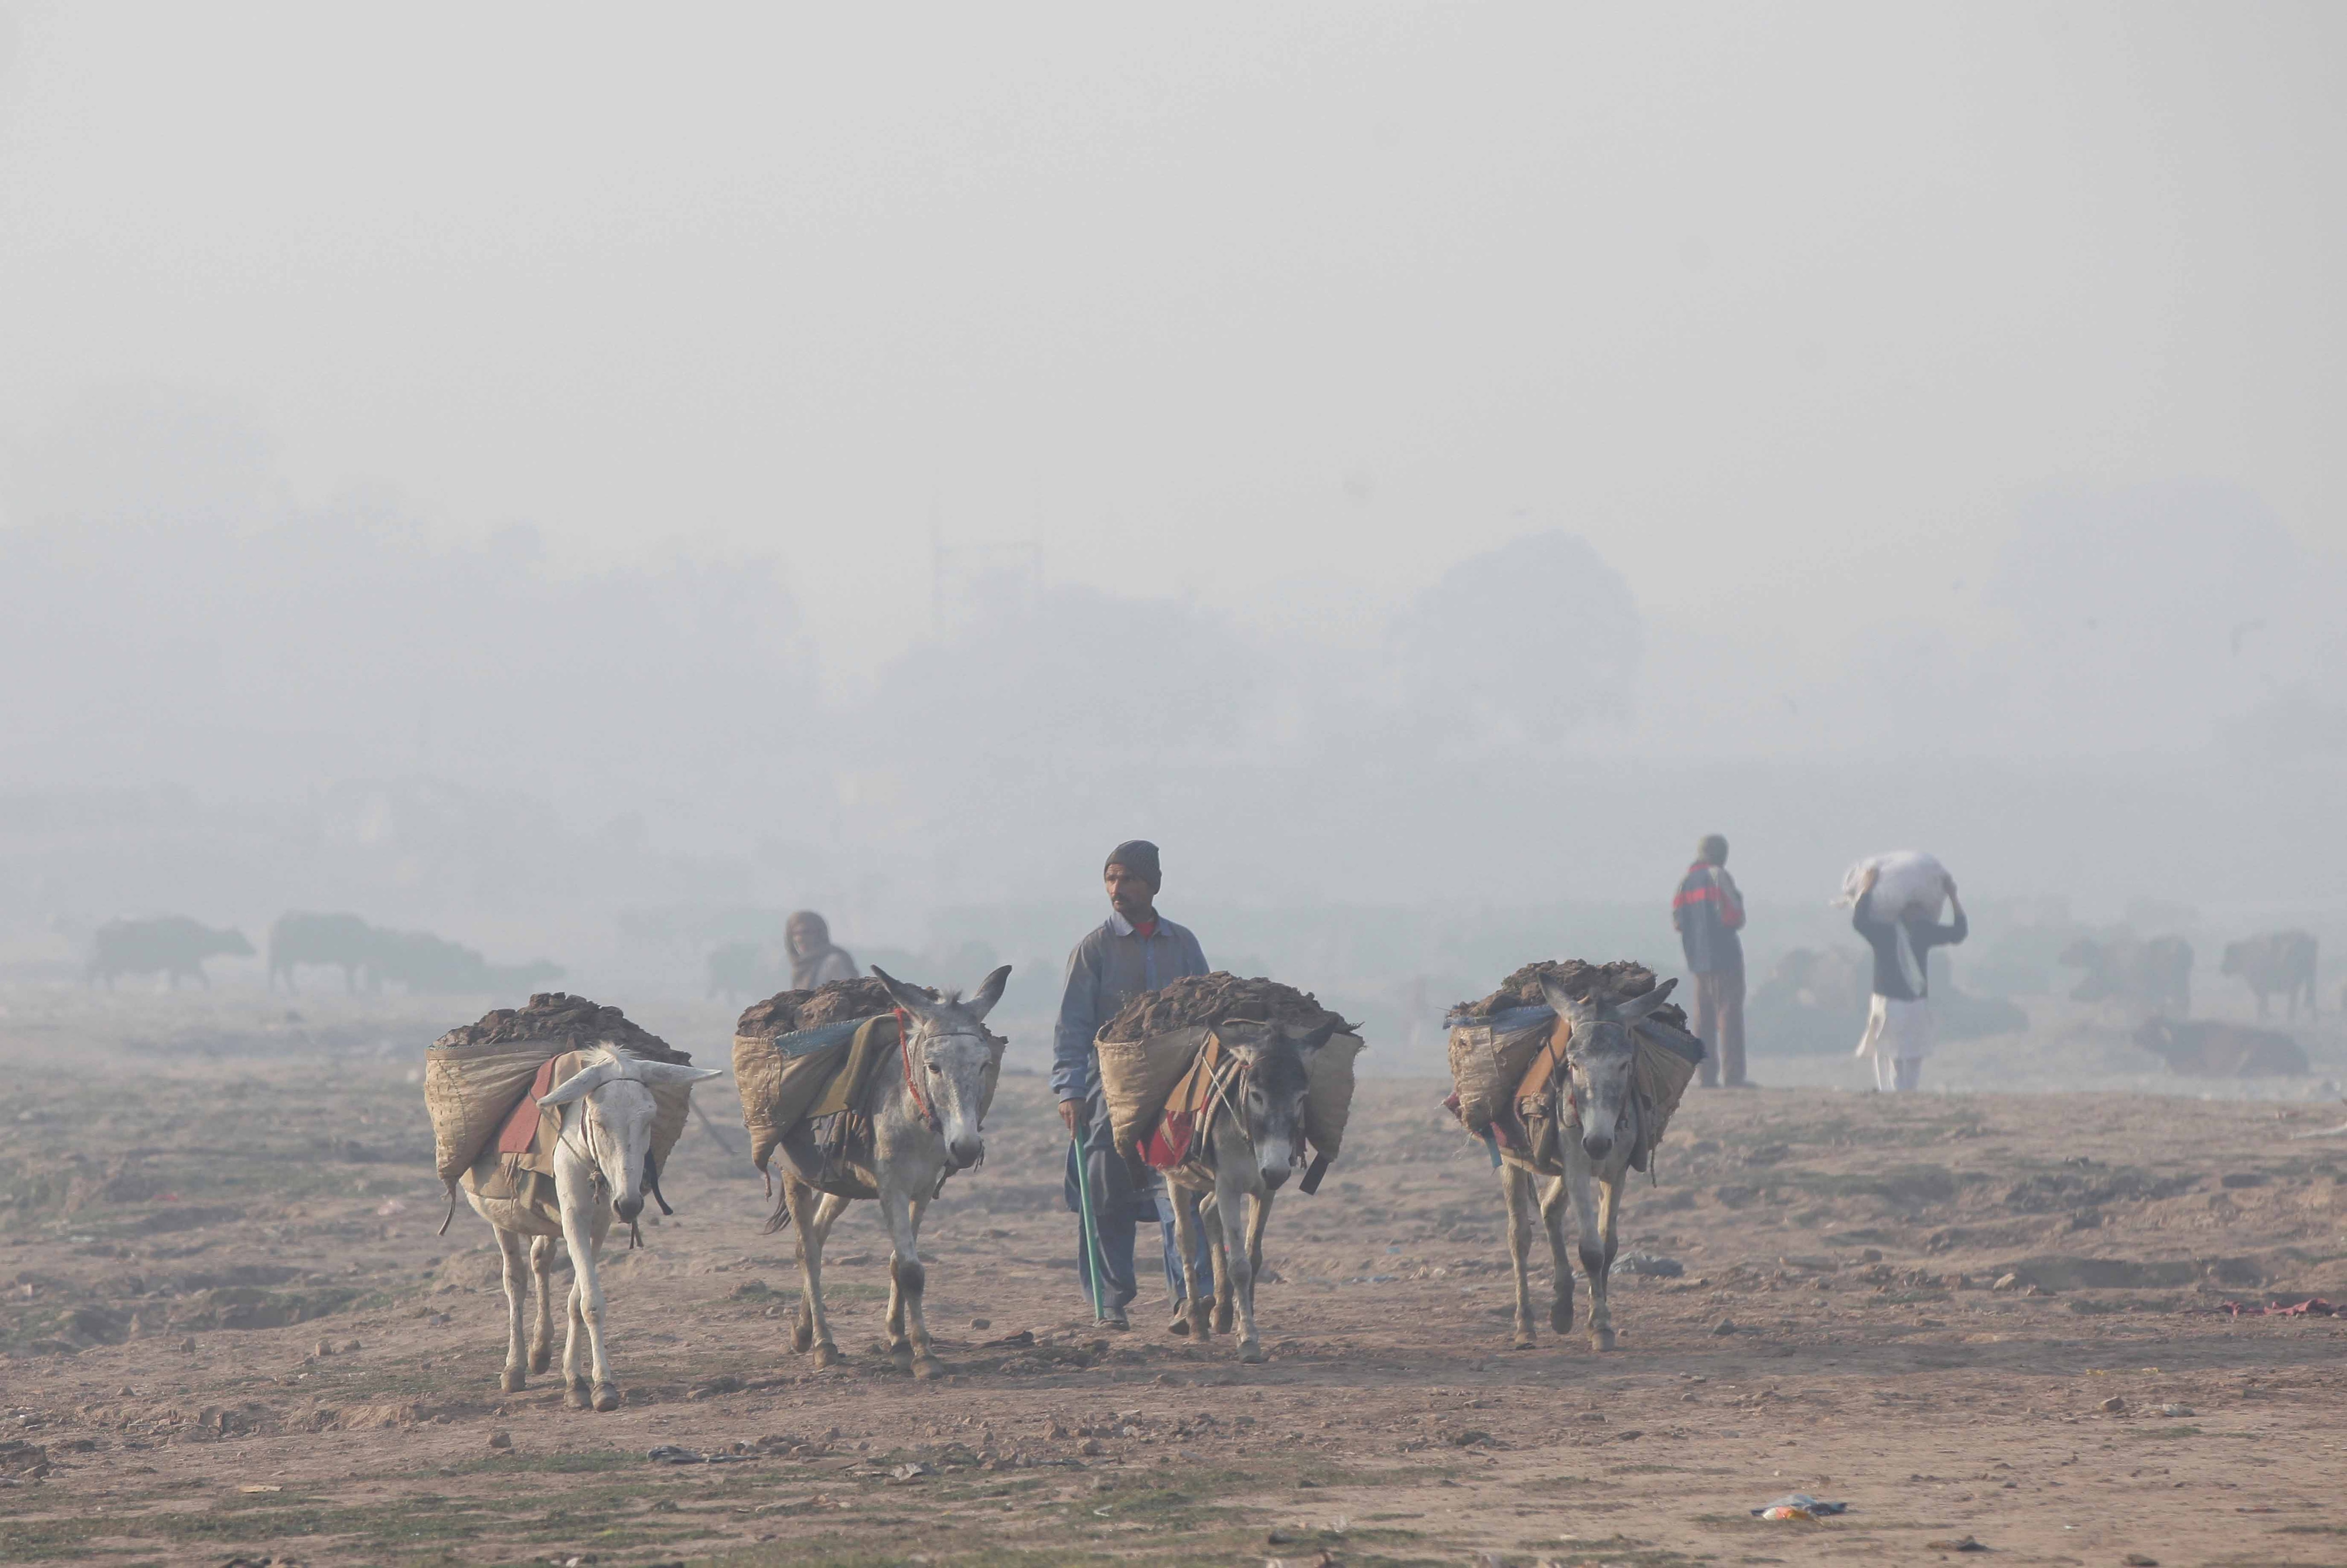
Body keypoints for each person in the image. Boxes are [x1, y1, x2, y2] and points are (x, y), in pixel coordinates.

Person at [1051, 840, 1214, 1331]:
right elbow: (1072, 1026)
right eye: (1110, 879)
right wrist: (1069, 1090)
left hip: (1175, 1090)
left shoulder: (1183, 943)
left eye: (1127, 879)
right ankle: (1110, 1304)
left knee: (1182, 1191)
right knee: (1103, 1196)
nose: (1116, 889)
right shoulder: (1092, 948)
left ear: (1152, 884)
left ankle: (1191, 1297)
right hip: (1107, 1094)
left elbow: (1208, 1011)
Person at [1850, 864, 1968, 1091]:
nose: (1917, 912)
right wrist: (1867, 887)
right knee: (1888, 1054)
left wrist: (1953, 896)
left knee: (1912, 1056)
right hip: (1889, 1003)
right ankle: (1891, 1097)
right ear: (1900, 911)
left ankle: (1905, 1097)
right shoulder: (1885, 933)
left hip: (1914, 1003)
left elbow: (1959, 933)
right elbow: (1859, 922)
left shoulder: (1923, 932)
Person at [1672, 833, 1749, 1088]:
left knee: (1703, 1017)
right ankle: (1734, 1076)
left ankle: (1706, 1077)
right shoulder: (1719, 876)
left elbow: (1678, 922)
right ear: (1721, 854)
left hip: (1697, 960)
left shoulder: (1685, 882)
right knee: (1729, 1014)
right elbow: (1734, 917)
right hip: (1725, 957)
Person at [785, 910, 857, 990]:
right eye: (796, 934)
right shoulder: (800, 967)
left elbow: (847, 993)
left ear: (819, 934)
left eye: (806, 932)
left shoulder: (834, 962)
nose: (800, 939)